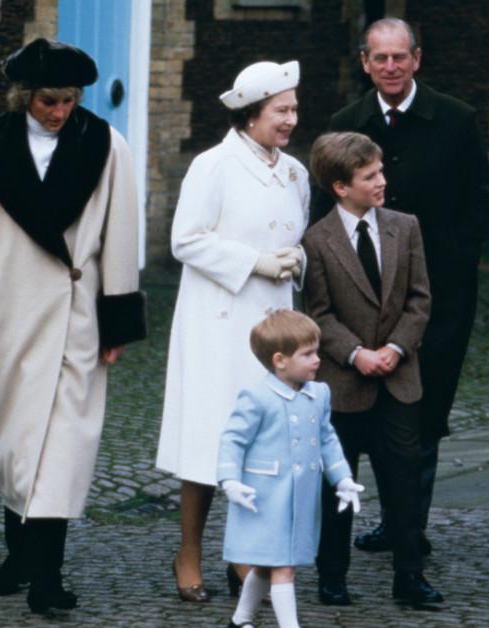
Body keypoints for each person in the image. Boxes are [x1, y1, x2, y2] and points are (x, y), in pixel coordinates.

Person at [0, 38, 145, 614]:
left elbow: (120, 232)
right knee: (16, 447)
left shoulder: (104, 145)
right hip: (4, 315)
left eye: (68, 100)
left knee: (61, 448)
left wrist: (118, 315)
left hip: (76, 317)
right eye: (47, 100)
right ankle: (20, 554)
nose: (59, 112)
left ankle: (47, 576)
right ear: (23, 97)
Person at [315, 17, 489, 555]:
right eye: (380, 58)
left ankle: (408, 530)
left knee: (423, 410)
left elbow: (480, 205)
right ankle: (382, 521)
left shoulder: (456, 120)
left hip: (437, 299)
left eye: (400, 57)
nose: (390, 67)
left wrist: (449, 268)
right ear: (365, 62)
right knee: (366, 410)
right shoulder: (347, 122)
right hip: (361, 302)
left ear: (417, 58)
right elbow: (327, 209)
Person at [156, 60, 309, 602]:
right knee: (210, 440)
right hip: (218, 323)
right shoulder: (213, 166)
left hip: (274, 327)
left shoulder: (295, 171)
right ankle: (189, 551)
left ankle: (245, 554)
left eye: (293, 109)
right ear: (251, 114)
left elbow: (297, 231)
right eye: (281, 111)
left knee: (264, 443)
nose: (291, 119)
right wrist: (256, 262)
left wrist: (295, 259)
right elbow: (186, 240)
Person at [303, 131, 441, 606]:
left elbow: (420, 300)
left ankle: (409, 576)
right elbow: (318, 313)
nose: (383, 181)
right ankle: (332, 575)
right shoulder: (316, 241)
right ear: (341, 186)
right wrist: (357, 353)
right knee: (338, 486)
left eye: (381, 171)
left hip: (399, 380)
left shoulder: (405, 227)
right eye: (370, 175)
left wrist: (397, 349)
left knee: (403, 484)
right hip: (343, 383)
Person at [218, 309, 364, 628]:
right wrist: (230, 479)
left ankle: (239, 620)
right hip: (265, 497)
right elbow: (233, 439)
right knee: (283, 567)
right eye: (307, 354)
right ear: (280, 360)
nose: (317, 360)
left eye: (317, 351)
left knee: (266, 564)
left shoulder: (319, 394)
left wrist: (343, 478)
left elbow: (326, 438)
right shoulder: (257, 397)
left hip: (299, 498)